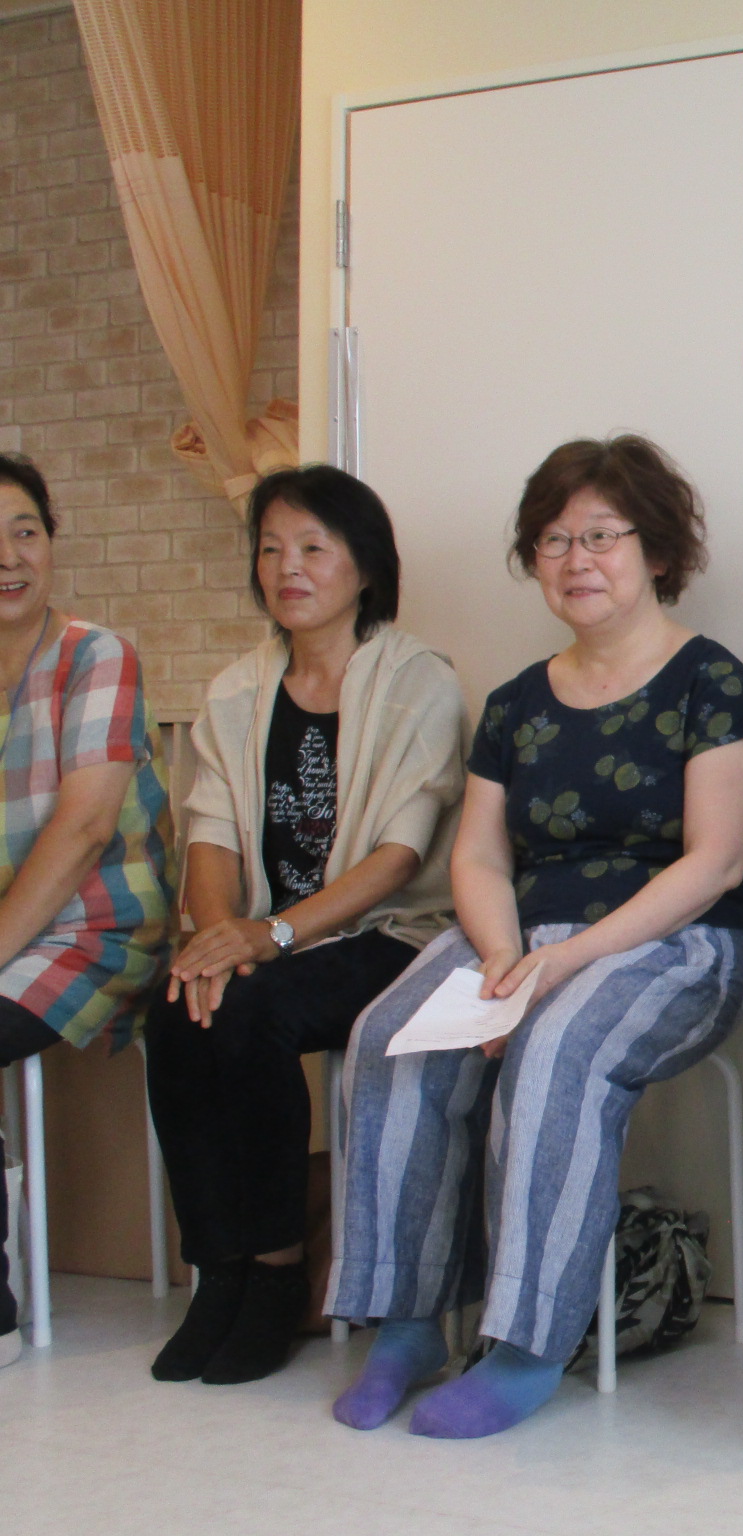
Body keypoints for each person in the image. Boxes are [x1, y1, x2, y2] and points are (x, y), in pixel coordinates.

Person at [326, 434, 743, 1438]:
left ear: (656, 551)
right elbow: (479, 858)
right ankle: (405, 1322)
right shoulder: (516, 703)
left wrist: (562, 963)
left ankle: (528, 1344)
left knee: (554, 1047)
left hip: (677, 944)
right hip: (521, 935)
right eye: (554, 540)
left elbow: (714, 863)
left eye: (602, 536)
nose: (577, 560)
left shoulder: (710, 682)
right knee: (389, 1038)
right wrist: (501, 956)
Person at [144, 466, 465, 1386]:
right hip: (265, 940)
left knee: (252, 1011)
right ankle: (221, 1270)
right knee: (181, 1006)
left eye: (314, 548)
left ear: (365, 567)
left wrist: (272, 938)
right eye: (272, 549)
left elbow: (399, 855)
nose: (288, 567)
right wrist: (218, 941)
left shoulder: (417, 682)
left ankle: (279, 1270)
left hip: (389, 935)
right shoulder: (237, 690)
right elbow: (209, 834)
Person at [0, 452, 172, 1372]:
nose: (9, 556)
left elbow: (83, 828)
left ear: (51, 542)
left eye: (24, 531)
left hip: (98, 926)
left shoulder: (96, 655)